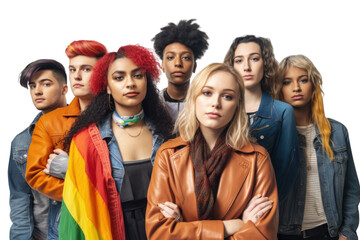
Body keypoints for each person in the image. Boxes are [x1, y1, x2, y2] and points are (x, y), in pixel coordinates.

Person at [146, 63, 278, 239]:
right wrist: (231, 226)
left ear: (237, 106)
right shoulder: (168, 155)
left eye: (227, 97)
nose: (215, 103)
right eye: (207, 93)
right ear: (194, 98)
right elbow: (159, 234)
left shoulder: (257, 158)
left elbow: (263, 234)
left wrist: (183, 227)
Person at [59, 45, 173, 240]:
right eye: (119, 78)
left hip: (163, 231)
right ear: (107, 88)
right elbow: (75, 214)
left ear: (147, 81)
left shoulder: (167, 136)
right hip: (112, 231)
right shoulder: (86, 141)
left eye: (138, 76)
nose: (130, 83)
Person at [25, 40, 107, 239]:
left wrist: (73, 169)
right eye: (72, 69)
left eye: (86, 69)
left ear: (102, 75)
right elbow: (35, 173)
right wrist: (82, 193)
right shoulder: (50, 122)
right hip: (68, 219)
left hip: (113, 217)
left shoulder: (117, 116)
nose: (77, 76)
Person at [277, 55, 360, 240]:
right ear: (279, 88)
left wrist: (347, 232)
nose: (296, 88)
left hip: (328, 233)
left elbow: (351, 189)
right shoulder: (274, 136)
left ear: (313, 84)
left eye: (303, 80)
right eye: (287, 82)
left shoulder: (337, 132)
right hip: (284, 235)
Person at [224, 35, 299, 204]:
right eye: (239, 61)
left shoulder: (282, 111)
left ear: (265, 63)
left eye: (254, 59)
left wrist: (266, 207)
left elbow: (286, 169)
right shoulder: (220, 107)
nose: (247, 67)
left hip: (262, 207)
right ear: (231, 66)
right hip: (223, 207)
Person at [8, 59, 67, 240]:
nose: (37, 91)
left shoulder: (87, 131)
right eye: (32, 86)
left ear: (65, 89)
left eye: (46, 84)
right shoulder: (21, 142)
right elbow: (19, 197)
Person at [152, 19, 209, 122]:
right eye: (170, 57)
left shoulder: (206, 103)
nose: (178, 63)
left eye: (186, 57)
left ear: (194, 66)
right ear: (162, 66)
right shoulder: (151, 103)